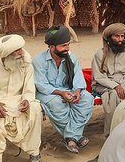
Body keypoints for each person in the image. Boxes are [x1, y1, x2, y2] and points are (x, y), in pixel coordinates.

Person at [33, 25, 93, 153]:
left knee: (87, 99)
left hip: (68, 89)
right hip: (47, 93)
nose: (67, 48)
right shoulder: (39, 60)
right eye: (63, 46)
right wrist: (61, 93)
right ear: (52, 47)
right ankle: (75, 136)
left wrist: (77, 91)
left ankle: (70, 137)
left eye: (68, 44)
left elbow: (78, 77)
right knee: (57, 103)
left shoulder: (71, 57)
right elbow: (41, 85)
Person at [91, 23, 125, 135]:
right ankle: (112, 133)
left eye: (122, 36)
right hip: (104, 84)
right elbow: (99, 77)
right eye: (116, 36)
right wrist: (116, 86)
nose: (120, 39)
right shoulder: (100, 54)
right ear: (109, 38)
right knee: (114, 96)